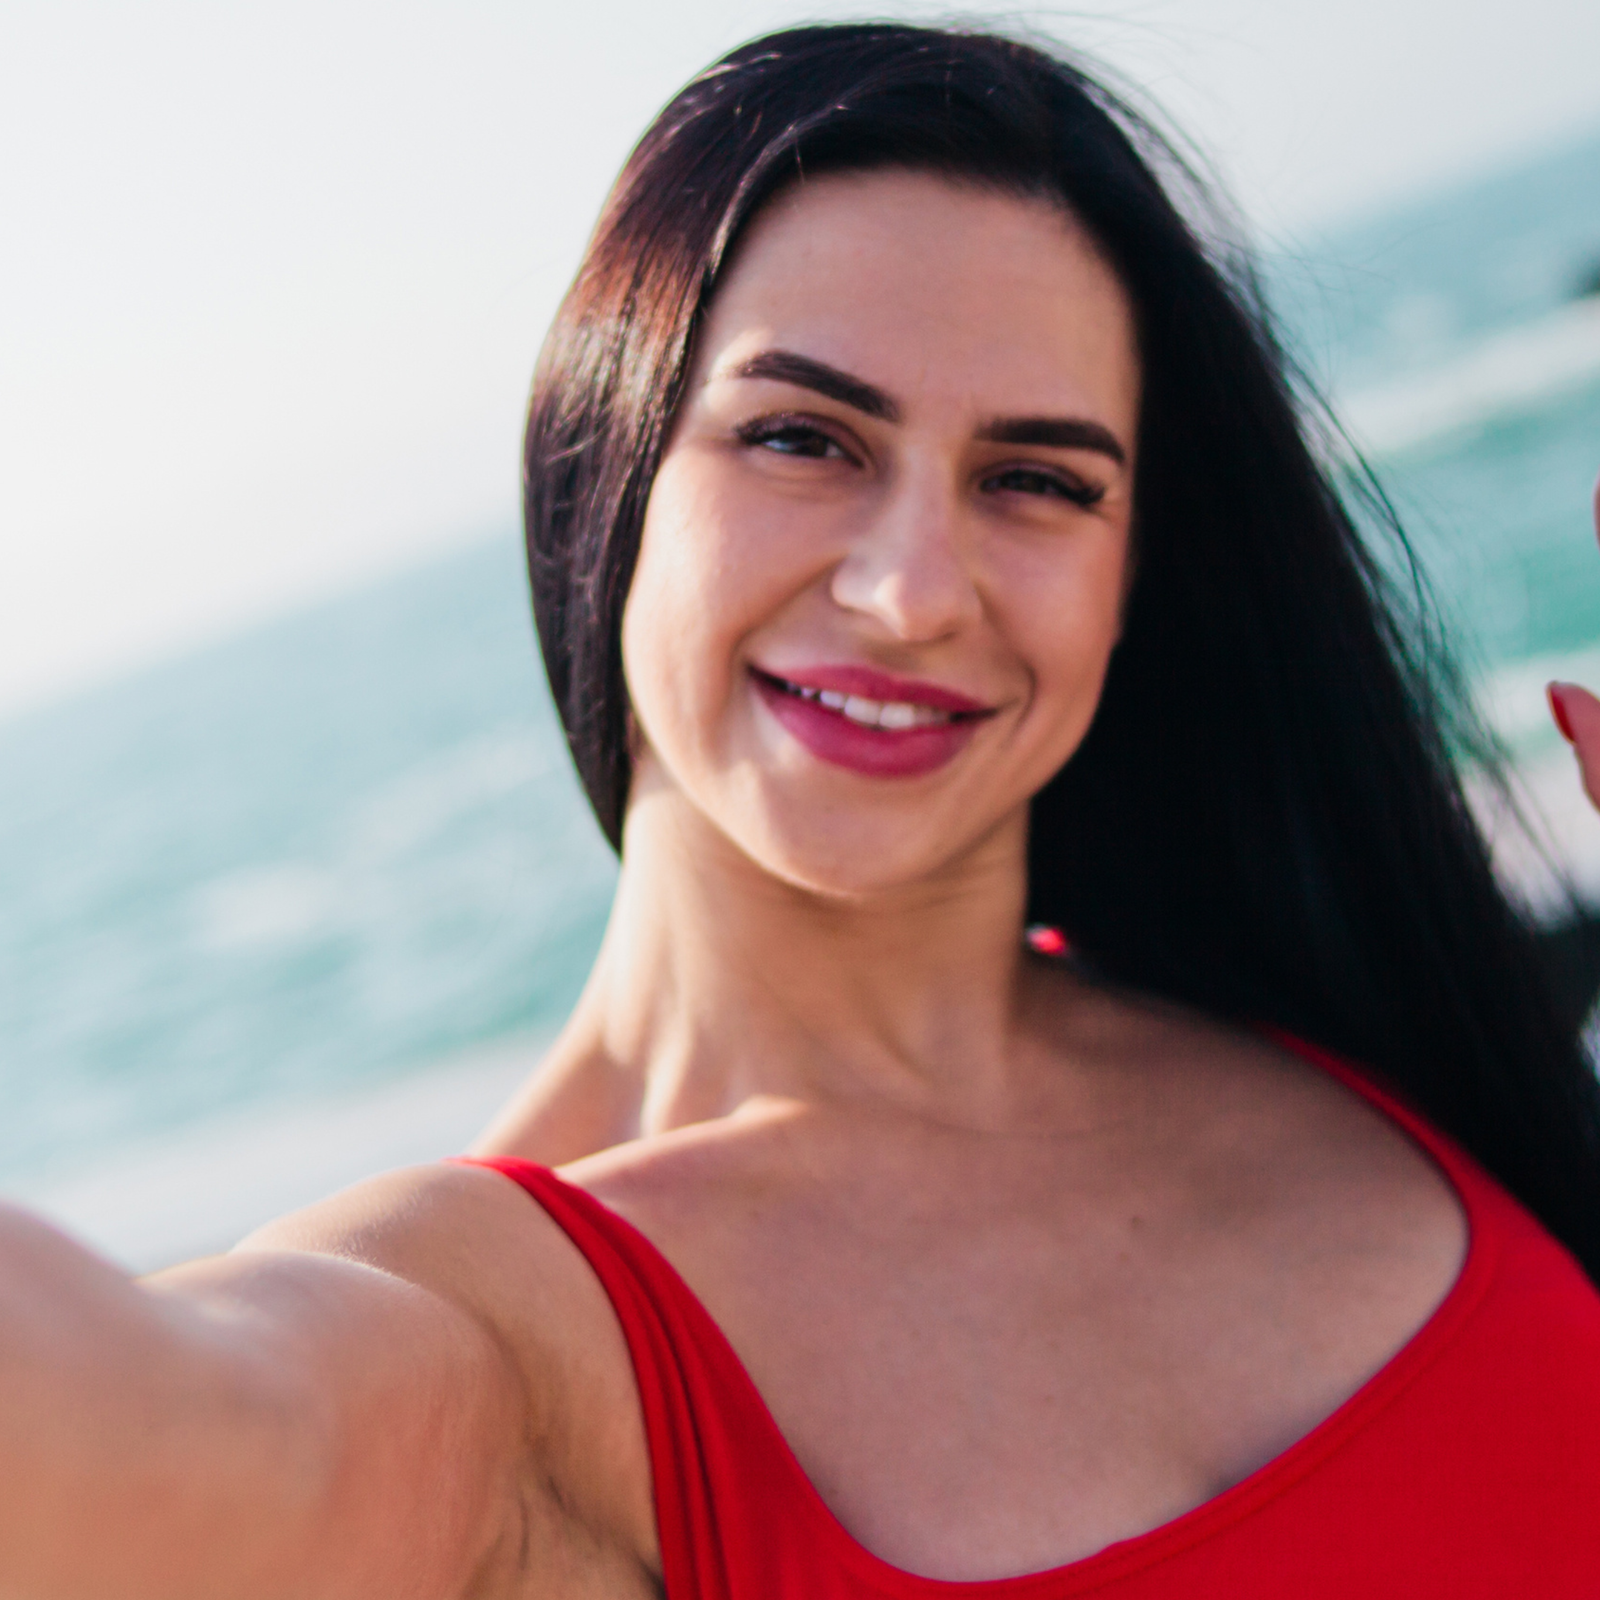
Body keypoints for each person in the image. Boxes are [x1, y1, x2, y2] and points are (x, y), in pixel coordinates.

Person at [4, 22, 1600, 1598]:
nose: (910, 592)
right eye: (799, 437)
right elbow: (146, 1433)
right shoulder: (493, 1336)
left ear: (1133, 580)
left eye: (1036, 479)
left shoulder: (1371, 1011)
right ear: (606, 473)